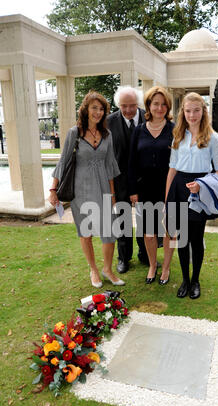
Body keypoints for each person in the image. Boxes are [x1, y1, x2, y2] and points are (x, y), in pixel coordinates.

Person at [49, 90, 124, 288]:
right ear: (86, 109)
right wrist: (52, 189)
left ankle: (108, 269)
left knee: (109, 230)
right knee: (86, 232)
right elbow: (63, 162)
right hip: (80, 190)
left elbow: (110, 167)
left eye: (101, 109)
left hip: (103, 187)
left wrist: (113, 195)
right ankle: (93, 270)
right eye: (94, 108)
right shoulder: (74, 133)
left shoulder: (107, 135)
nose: (98, 112)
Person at [165, 92, 218, 300]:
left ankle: (196, 280)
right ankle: (185, 279)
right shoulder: (178, 135)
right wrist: (167, 199)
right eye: (188, 110)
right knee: (181, 239)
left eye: (196, 110)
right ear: (183, 112)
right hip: (178, 188)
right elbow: (172, 169)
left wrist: (201, 185)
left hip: (200, 190)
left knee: (196, 238)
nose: (192, 115)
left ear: (203, 111)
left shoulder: (213, 137)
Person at [128, 86, 175, 285]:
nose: (160, 107)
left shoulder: (175, 130)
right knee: (148, 232)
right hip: (145, 188)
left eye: (164, 104)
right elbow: (131, 162)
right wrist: (132, 191)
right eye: (156, 103)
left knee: (170, 231)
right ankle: (153, 265)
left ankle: (166, 268)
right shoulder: (138, 131)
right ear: (148, 105)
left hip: (170, 188)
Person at [107, 86, 149, 273]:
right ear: (118, 105)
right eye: (124, 106)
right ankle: (124, 257)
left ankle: (145, 253)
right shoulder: (108, 122)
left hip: (144, 180)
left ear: (138, 104)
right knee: (122, 220)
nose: (129, 110)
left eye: (132, 105)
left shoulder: (149, 117)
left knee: (145, 218)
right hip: (120, 180)